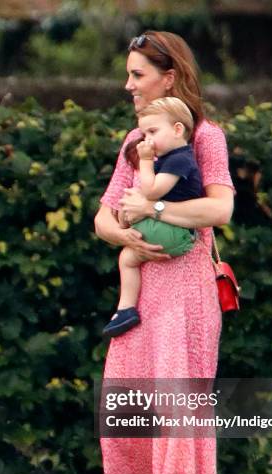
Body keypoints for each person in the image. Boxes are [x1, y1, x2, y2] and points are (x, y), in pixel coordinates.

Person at [94, 31, 235, 474]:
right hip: (143, 296)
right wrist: (124, 232)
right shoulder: (136, 139)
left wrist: (152, 206)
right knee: (126, 417)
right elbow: (105, 215)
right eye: (127, 75)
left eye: (137, 74)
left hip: (188, 296)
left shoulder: (204, 137)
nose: (127, 85)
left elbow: (220, 208)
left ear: (168, 77)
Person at [102, 96, 202, 338]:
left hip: (176, 232)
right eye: (144, 134)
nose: (147, 140)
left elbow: (152, 191)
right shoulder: (172, 159)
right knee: (129, 207)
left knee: (127, 258)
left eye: (153, 132)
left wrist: (146, 161)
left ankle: (126, 309)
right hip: (170, 228)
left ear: (178, 130)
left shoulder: (180, 160)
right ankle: (125, 309)